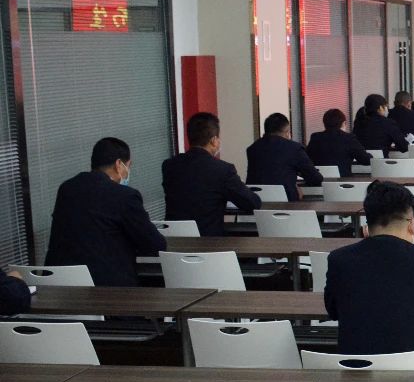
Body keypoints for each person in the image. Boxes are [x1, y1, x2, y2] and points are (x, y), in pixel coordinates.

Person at [324, 181, 414, 382]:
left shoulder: (338, 259)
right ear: (411, 224)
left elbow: (333, 310)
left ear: (367, 226)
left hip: (354, 378)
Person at [46, 137, 167, 286]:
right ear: (119, 165)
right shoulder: (125, 196)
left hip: (61, 285)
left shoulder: (67, 189)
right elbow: (156, 245)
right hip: (107, 288)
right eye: (128, 166)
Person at [163, 113, 261, 236]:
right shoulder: (223, 170)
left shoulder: (169, 166)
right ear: (214, 140)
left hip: (174, 241)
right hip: (209, 243)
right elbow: (252, 203)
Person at [246, 113, 323, 203]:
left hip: (256, 204)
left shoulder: (252, 149)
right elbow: (316, 178)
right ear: (287, 132)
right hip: (287, 204)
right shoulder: (294, 148)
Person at [306, 108, 373, 177]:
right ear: (343, 123)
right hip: (343, 180)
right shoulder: (348, 138)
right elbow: (366, 160)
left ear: (325, 123)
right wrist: (371, 156)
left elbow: (307, 159)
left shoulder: (315, 138)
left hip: (319, 181)